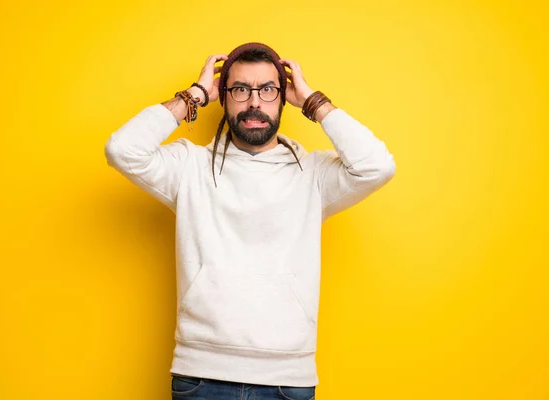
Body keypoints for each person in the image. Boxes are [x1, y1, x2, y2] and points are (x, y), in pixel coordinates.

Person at [104, 42, 396, 400]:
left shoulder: (314, 175)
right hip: (201, 374)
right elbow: (122, 150)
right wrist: (193, 95)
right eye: (241, 89)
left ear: (283, 98)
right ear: (223, 98)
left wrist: (314, 103)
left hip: (287, 379)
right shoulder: (188, 167)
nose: (254, 102)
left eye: (268, 90)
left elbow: (377, 167)